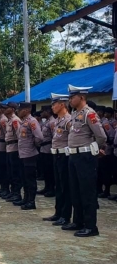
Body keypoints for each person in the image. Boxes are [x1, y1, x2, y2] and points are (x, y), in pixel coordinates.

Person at [66, 85, 107, 237]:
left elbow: (101, 136)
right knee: (75, 190)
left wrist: (94, 149)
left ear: (81, 97)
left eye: (72, 97)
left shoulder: (89, 114)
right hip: (74, 156)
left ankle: (91, 226)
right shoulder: (75, 114)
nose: (70, 100)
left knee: (87, 192)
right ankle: (78, 221)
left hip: (85, 157)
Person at [43, 93, 75, 227]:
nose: (52, 107)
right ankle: (58, 213)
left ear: (62, 104)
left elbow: (72, 139)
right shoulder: (57, 121)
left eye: (54, 104)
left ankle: (65, 215)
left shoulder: (69, 120)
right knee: (58, 186)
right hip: (55, 155)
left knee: (65, 187)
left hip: (64, 156)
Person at [16, 102, 44, 210]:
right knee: (24, 178)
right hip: (22, 154)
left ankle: (31, 201)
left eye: (20, 109)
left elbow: (39, 137)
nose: (18, 112)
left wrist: (33, 145)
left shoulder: (32, 121)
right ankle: (26, 198)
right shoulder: (24, 122)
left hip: (30, 154)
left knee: (30, 179)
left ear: (27, 110)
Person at [4, 102, 22, 202]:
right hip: (9, 148)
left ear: (13, 109)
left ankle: (17, 193)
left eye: (8, 108)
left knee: (15, 173)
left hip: (15, 149)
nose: (5, 109)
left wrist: (20, 151)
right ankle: (12, 192)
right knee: (10, 172)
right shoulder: (9, 120)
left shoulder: (15, 120)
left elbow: (19, 136)